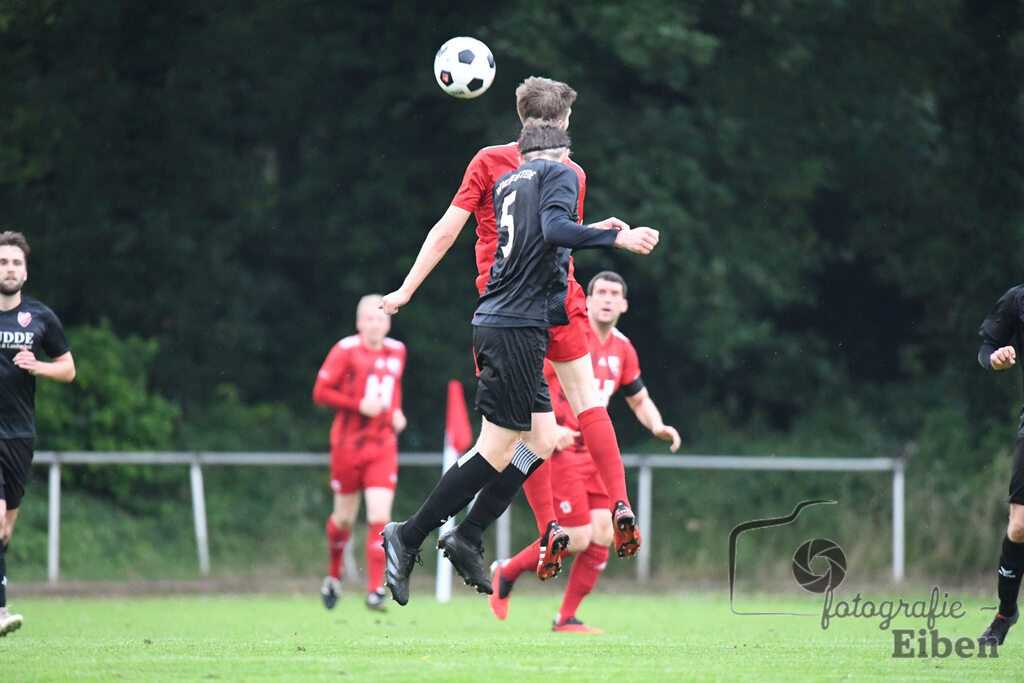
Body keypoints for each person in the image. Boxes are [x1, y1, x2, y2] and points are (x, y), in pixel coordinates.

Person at [380, 123, 660, 606]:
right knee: (496, 447)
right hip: (512, 318)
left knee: (541, 439)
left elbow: (541, 236)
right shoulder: (555, 171)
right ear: (562, 129)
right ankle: (409, 534)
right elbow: (551, 231)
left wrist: (597, 230)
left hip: (530, 318)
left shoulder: (513, 176)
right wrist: (613, 238)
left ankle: (466, 534)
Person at [489, 271, 680, 632]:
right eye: (601, 292)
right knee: (576, 537)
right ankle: (508, 570)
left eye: (615, 294)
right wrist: (548, 428)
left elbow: (638, 399)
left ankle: (566, 617)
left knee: (605, 532)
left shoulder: (623, 348)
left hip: (595, 454)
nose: (607, 299)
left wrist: (657, 425)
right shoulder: (567, 337)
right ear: (587, 301)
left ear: (624, 305)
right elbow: (529, 385)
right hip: (560, 451)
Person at [0, 231, 76, 637]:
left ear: (25, 272)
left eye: (16, 263)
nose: (9, 269)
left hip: (19, 434)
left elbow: (68, 368)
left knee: (4, 530)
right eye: (2, 262)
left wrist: (37, 367)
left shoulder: (40, 317)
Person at [312, 294, 406, 612]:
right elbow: (320, 392)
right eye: (369, 319)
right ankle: (333, 575)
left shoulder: (397, 351)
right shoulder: (345, 350)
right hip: (348, 446)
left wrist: (396, 411)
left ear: (387, 323)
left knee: (379, 517)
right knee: (343, 518)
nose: (375, 325)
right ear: (359, 323)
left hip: (382, 445)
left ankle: (374, 590)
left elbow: (393, 389)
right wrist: (357, 405)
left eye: (380, 319)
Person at [977, 284, 1024, 645]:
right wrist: (994, 358)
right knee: (1020, 526)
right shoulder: (1017, 299)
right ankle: (1005, 612)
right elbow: (986, 349)